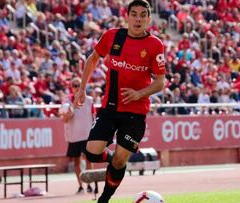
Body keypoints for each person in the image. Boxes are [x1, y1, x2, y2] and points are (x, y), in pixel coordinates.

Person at [73, 1, 166, 202]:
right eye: (134, 14)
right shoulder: (112, 36)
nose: (138, 19)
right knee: (92, 154)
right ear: (127, 16)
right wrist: (82, 88)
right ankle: (111, 161)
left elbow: (160, 82)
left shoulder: (155, 45)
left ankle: (104, 199)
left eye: (143, 15)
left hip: (136, 113)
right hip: (110, 108)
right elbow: (93, 58)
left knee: (120, 159)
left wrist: (140, 93)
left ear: (149, 19)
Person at [61, 77, 94, 194]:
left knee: (89, 160)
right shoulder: (67, 101)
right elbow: (64, 119)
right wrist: (69, 113)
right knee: (76, 162)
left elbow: (93, 117)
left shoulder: (89, 100)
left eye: (78, 85)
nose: (76, 88)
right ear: (71, 87)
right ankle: (80, 186)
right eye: (74, 85)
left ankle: (90, 184)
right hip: (74, 136)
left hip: (87, 135)